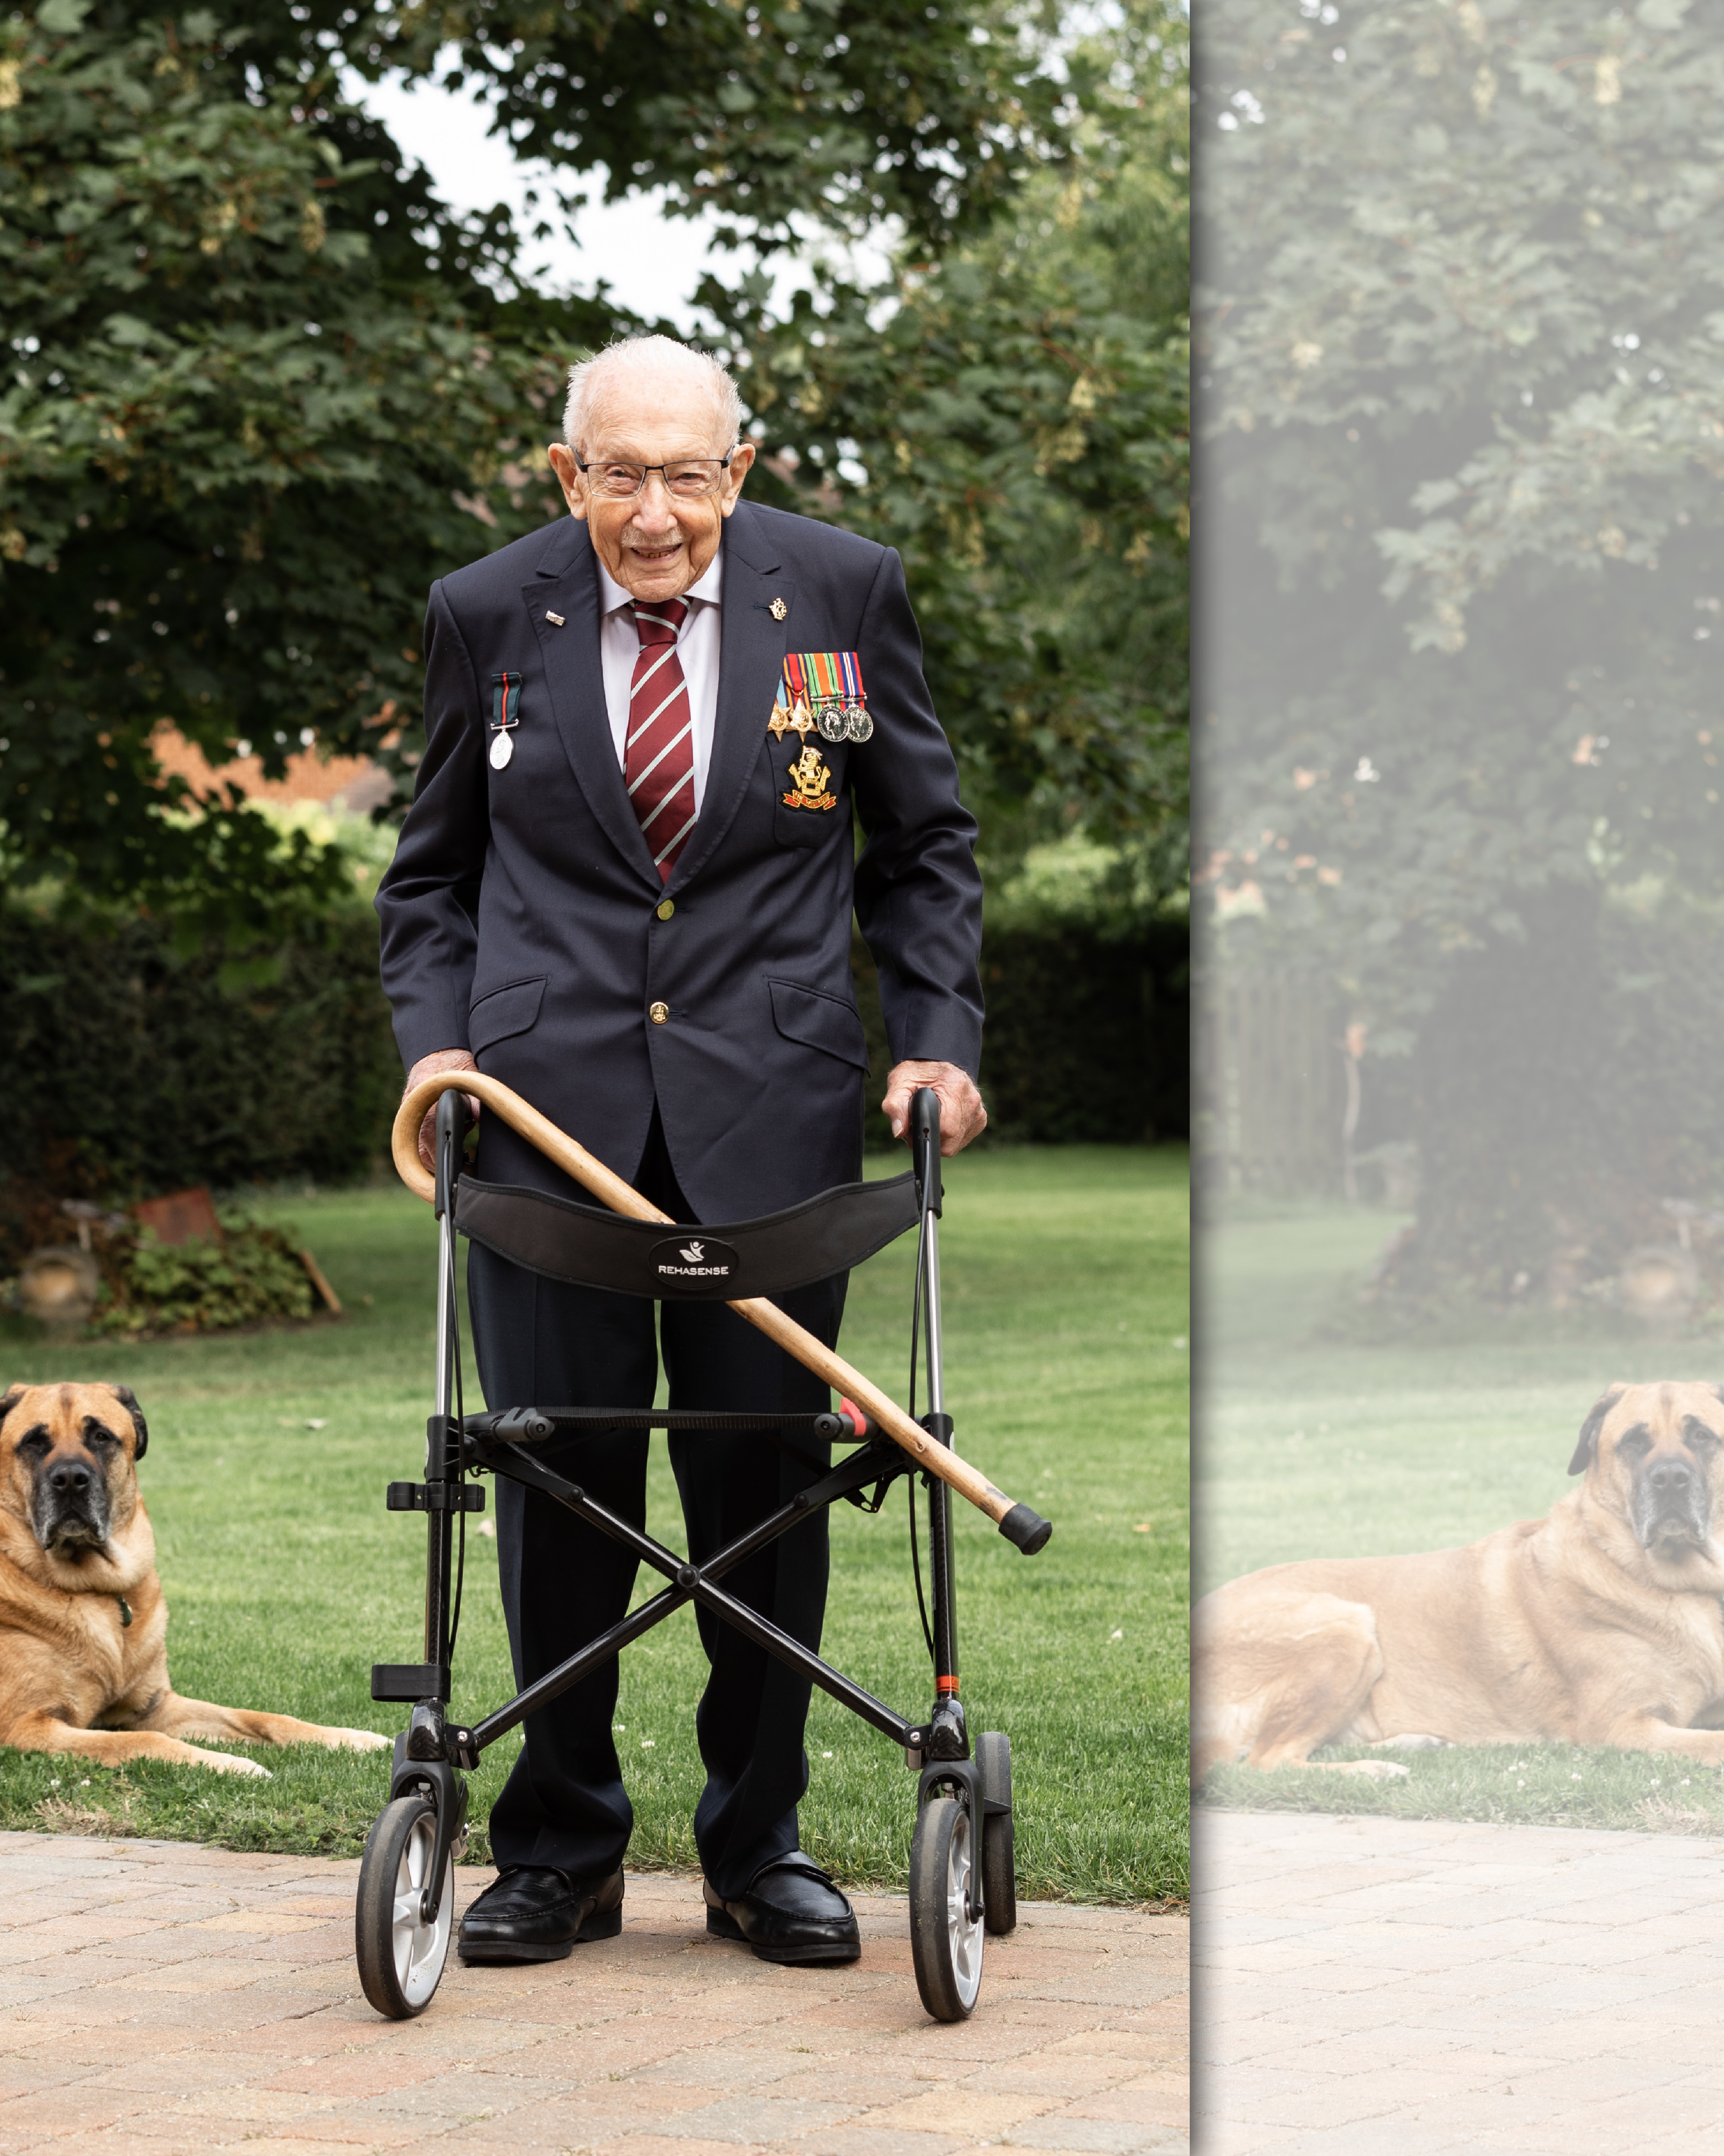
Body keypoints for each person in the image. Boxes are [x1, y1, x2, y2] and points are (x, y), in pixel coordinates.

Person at [375, 334, 986, 1968]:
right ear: (564, 473)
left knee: (760, 1494)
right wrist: (435, 1045)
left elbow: (921, 844)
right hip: (540, 1126)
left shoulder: (844, 594)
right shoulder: (487, 610)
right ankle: (557, 1849)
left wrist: (938, 1037)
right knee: (554, 1476)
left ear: (743, 462)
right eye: (619, 477)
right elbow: (427, 877)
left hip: (770, 1115)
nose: (656, 514)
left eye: (690, 474)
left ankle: (756, 1847)